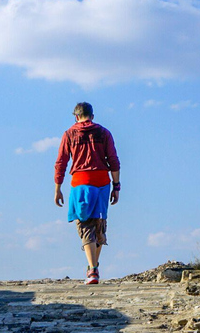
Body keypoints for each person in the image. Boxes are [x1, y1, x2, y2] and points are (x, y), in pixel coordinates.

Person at [54, 102, 121, 285]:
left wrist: (58, 188)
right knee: (99, 224)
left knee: (85, 225)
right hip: (102, 181)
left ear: (76, 116)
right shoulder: (104, 133)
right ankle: (94, 266)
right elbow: (113, 160)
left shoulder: (69, 134)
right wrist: (116, 186)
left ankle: (92, 270)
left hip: (81, 182)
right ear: (92, 115)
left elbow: (61, 162)